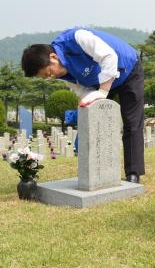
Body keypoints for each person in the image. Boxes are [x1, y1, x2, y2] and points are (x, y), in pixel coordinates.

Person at [21, 28, 144, 183]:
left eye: (49, 72)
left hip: (128, 70)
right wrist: (90, 102)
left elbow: (109, 56)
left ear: (53, 57)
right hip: (99, 82)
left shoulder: (77, 38)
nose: (51, 77)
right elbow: (82, 90)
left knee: (132, 122)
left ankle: (133, 174)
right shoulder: (62, 73)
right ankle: (101, 173)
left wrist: (103, 91)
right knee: (97, 120)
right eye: (46, 77)